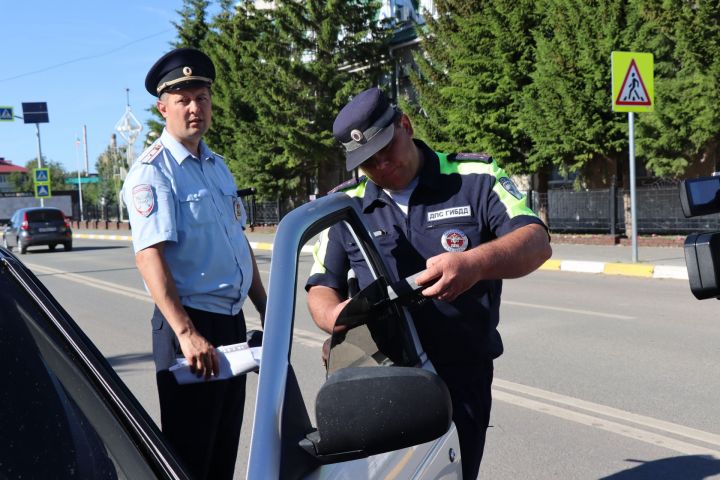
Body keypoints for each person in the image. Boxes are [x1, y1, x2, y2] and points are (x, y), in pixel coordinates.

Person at [305, 87, 552, 479]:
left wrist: (474, 263)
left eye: (386, 150)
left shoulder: (475, 179)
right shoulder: (346, 205)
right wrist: (335, 320)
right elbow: (321, 285)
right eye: (369, 162)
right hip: (381, 375)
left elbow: (536, 242)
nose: (382, 166)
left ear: (405, 124)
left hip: (461, 375)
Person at [122, 47, 267, 480]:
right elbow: (149, 256)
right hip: (190, 328)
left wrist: (266, 307)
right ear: (163, 107)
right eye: (183, 100)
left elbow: (238, 244)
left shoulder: (218, 168)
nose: (194, 108)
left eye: (201, 98)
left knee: (223, 451)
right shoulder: (153, 173)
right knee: (191, 459)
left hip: (228, 324)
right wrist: (186, 334)